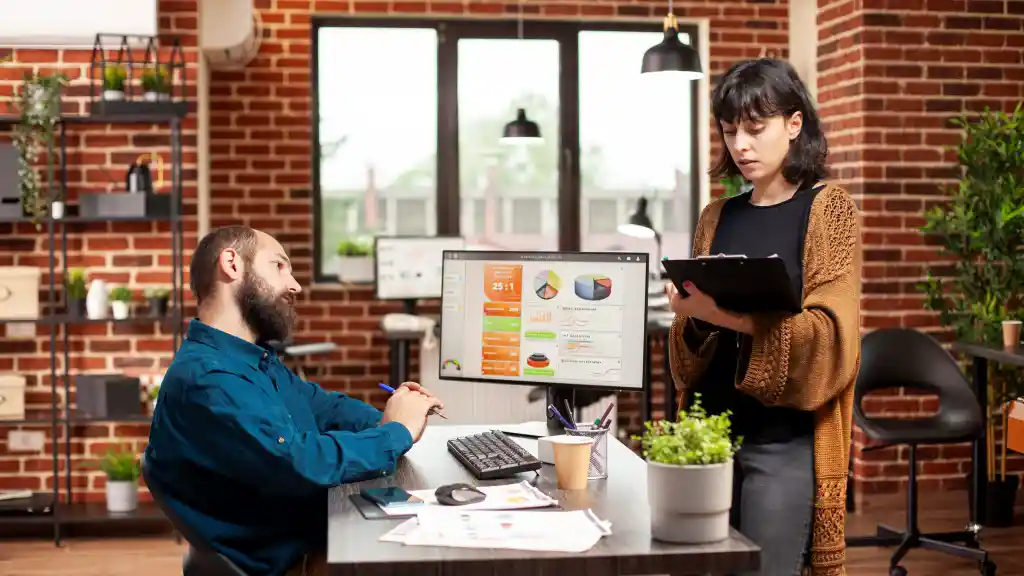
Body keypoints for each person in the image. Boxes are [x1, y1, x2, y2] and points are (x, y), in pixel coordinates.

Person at [145, 226, 444, 576]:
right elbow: (301, 463)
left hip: (309, 538)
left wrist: (395, 416)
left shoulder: (248, 360)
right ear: (231, 264)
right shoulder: (209, 380)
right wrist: (396, 431)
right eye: (279, 266)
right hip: (293, 564)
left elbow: (324, 407)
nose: (295, 285)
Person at [666, 58, 861, 576]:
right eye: (730, 132)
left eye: (755, 129)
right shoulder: (717, 216)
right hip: (706, 435)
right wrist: (691, 315)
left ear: (794, 126)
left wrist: (722, 314)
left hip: (784, 442)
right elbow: (688, 353)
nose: (741, 146)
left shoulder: (828, 210)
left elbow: (832, 341)